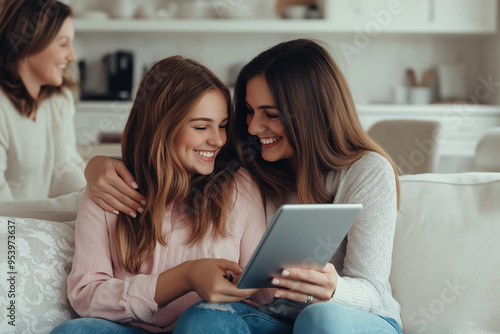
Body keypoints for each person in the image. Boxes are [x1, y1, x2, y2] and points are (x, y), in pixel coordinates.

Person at [83, 39, 403, 334]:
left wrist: (334, 289)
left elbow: (372, 289)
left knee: (318, 317)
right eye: (249, 111)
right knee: (204, 315)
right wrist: (96, 165)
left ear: (310, 115)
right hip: (274, 317)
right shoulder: (252, 164)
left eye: (271, 115)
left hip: (352, 316)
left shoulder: (367, 172)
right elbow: (167, 151)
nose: (252, 126)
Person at [50, 56, 276, 333]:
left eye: (222, 125)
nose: (218, 139)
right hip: (139, 327)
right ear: (161, 127)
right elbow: (87, 296)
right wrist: (185, 277)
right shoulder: (111, 190)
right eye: (201, 127)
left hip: (214, 322)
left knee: (205, 318)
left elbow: (263, 292)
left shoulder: (238, 185)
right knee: (73, 332)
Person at [0, 0, 86, 201]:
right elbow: (2, 209)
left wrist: (94, 199)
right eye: (63, 43)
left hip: (42, 226)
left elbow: (64, 171)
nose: (72, 56)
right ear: (28, 43)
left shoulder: (58, 100)